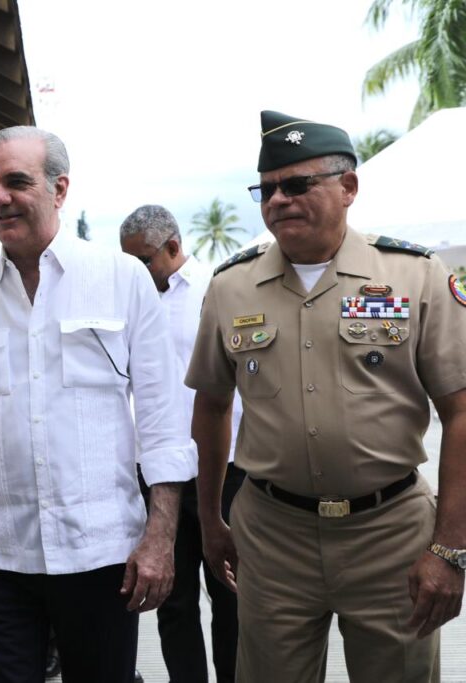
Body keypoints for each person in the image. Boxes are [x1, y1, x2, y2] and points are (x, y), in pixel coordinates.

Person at [0, 126, 196, 682]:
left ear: (59, 189)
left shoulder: (122, 279)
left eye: (16, 181)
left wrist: (161, 537)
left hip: (100, 552)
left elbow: (163, 422)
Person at [188, 110, 466, 682]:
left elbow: (461, 411)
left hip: (390, 534)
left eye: (296, 184)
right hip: (272, 537)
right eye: (266, 189)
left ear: (349, 187)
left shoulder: (414, 275)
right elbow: (212, 406)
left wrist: (450, 548)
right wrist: (210, 518)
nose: (278, 200)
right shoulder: (230, 286)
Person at [121, 204, 244, 683]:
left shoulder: (218, 292)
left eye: (143, 261)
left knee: (231, 595)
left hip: (223, 469)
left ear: (173, 247)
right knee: (172, 600)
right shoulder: (129, 302)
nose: (135, 271)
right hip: (158, 472)